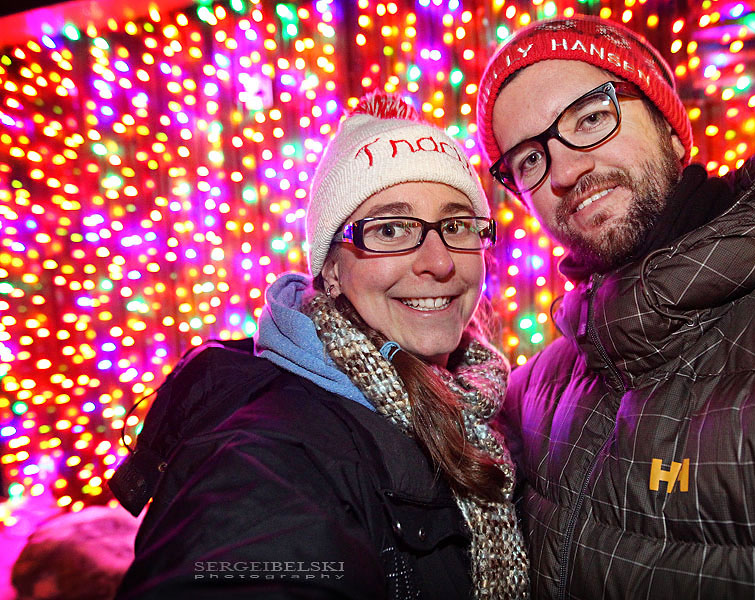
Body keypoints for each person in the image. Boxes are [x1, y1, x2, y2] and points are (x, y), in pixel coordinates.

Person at [476, 15, 755, 599]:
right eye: (528, 160)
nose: (567, 171)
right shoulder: (538, 390)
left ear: (672, 131)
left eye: (592, 117)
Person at [109, 92, 530, 599]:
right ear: (331, 271)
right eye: (391, 229)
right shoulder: (274, 452)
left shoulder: (484, 405)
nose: (439, 262)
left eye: (457, 225)